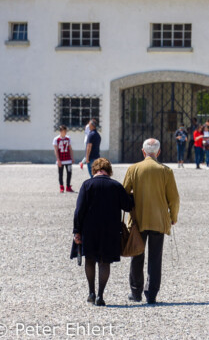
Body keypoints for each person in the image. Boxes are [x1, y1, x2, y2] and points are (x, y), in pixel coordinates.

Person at [123, 138, 180, 304]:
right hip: (158, 219)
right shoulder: (166, 171)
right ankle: (151, 293)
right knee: (155, 257)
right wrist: (173, 217)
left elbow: (124, 193)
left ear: (143, 152)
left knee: (136, 255)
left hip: (138, 219)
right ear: (158, 152)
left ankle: (135, 292)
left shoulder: (133, 169)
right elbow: (174, 199)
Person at [71, 158, 133, 306]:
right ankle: (100, 295)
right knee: (105, 262)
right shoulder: (116, 186)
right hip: (110, 230)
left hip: (89, 229)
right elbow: (128, 206)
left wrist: (77, 231)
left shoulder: (87, 185)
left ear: (94, 170)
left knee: (90, 260)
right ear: (109, 170)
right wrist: (131, 195)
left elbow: (79, 210)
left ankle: (91, 292)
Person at [53, 125, 74, 193]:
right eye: (63, 131)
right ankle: (61, 187)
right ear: (60, 131)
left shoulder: (68, 138)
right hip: (61, 159)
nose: (65, 133)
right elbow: (56, 150)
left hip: (68, 159)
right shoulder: (56, 139)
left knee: (69, 173)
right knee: (61, 174)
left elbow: (70, 148)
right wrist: (58, 160)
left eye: (65, 131)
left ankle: (68, 186)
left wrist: (72, 157)